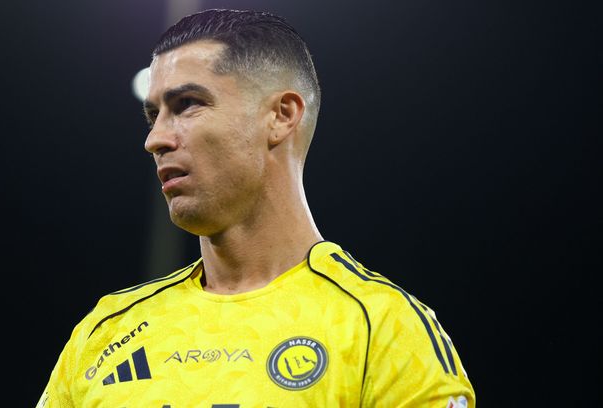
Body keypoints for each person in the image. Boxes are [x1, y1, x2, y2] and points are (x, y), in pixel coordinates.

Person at [37, 9, 475, 407]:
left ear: (281, 115)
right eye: (154, 116)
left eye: (186, 105)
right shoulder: (104, 332)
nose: (155, 139)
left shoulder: (383, 329)